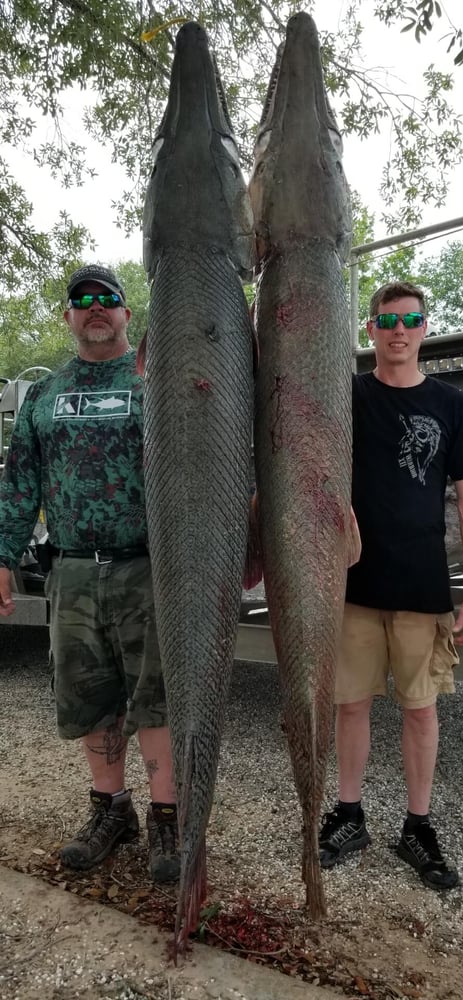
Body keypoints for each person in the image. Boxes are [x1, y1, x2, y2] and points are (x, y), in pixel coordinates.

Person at [0, 264, 180, 883]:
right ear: (69, 316)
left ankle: (167, 820)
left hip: (149, 567)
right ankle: (111, 811)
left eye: (108, 299)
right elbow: (20, 482)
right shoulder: (46, 395)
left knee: (154, 699)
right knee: (91, 697)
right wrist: (3, 555)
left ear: (128, 314)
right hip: (73, 571)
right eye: (83, 300)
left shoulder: (157, 384)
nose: (95, 307)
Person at [319, 280, 463, 889]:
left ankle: (418, 827)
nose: (398, 330)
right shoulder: (348, 396)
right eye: (387, 320)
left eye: (411, 320)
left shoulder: (454, 406)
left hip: (422, 585)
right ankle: (349, 813)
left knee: (420, 710)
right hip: (353, 582)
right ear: (371, 330)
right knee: (351, 704)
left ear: (424, 329)